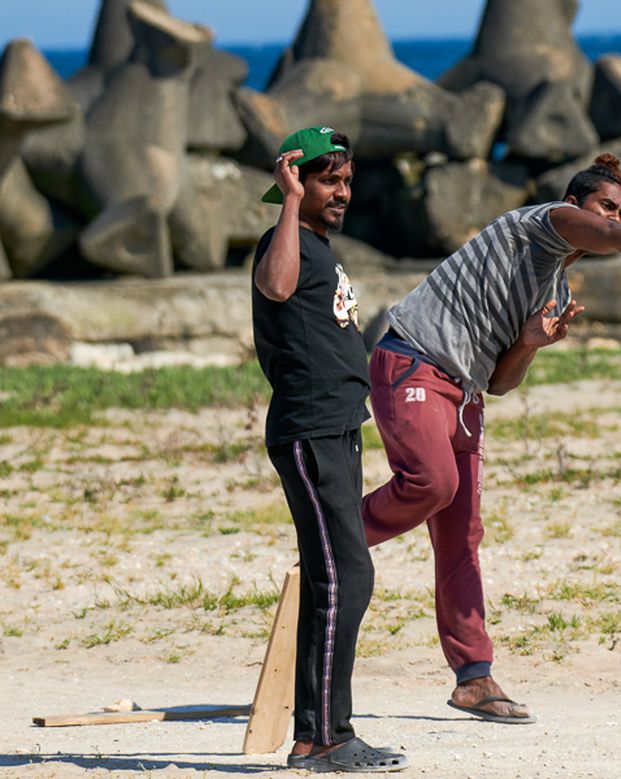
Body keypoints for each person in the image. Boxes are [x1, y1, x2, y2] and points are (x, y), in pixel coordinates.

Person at [363, 154, 621, 724]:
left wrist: (528, 343)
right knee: (432, 483)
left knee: (461, 533)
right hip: (413, 359)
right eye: (606, 207)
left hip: (467, 389)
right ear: (576, 206)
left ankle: (474, 678)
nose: (613, 218)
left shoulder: (554, 287)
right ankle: (336, 536)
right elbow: (617, 239)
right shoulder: (541, 220)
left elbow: (501, 382)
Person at [252, 126, 406, 773]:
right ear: (297, 179)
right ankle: (321, 738)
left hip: (336, 426)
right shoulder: (283, 241)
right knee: (348, 574)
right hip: (309, 428)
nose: (342, 191)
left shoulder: (318, 246)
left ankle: (326, 732)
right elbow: (276, 287)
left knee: (330, 579)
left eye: (346, 181)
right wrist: (287, 202)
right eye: (328, 180)